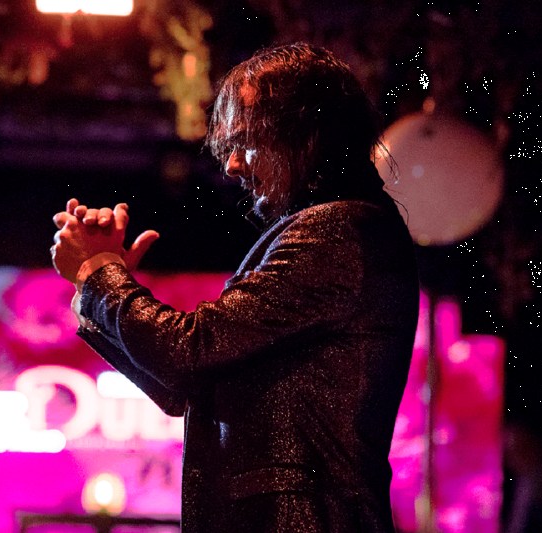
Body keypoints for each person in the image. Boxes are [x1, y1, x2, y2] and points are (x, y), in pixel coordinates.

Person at [51, 43, 419, 533]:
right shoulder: (337, 231)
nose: (232, 166)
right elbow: (186, 383)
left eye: (247, 140)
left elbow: (191, 351)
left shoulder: (337, 231)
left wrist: (100, 273)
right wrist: (100, 282)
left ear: (306, 135)